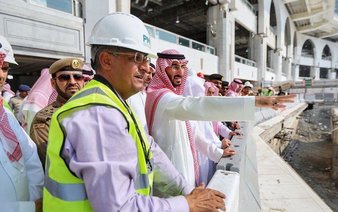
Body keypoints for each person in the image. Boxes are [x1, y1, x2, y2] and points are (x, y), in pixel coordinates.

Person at [43, 12, 226, 212]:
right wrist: (186, 204)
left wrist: (187, 190)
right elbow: (119, 207)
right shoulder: (98, 112)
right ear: (106, 60)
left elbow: (151, 152)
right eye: (137, 58)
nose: (147, 68)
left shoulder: (115, 101)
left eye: (146, 59)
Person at [145, 49, 295, 187]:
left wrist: (218, 153)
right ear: (162, 68)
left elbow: (194, 133)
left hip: (183, 171)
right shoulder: (162, 98)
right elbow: (201, 106)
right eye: (175, 66)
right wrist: (255, 102)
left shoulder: (171, 99)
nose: (180, 71)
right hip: (171, 174)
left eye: (182, 67)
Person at [0, 35, 43, 212]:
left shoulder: (5, 114)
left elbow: (31, 158)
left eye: (4, 68)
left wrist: (35, 202)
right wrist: (28, 208)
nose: (1, 75)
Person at [30, 58, 86, 169]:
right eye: (64, 77)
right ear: (53, 83)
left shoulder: (94, 110)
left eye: (77, 77)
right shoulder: (44, 119)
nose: (72, 82)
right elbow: (53, 160)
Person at [127, 62, 155, 133]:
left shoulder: (147, 95)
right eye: (148, 73)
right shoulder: (130, 95)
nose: (150, 77)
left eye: (152, 74)